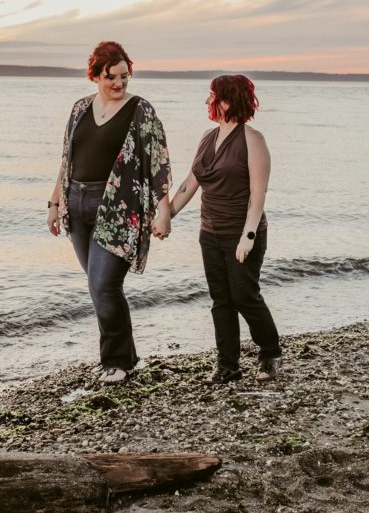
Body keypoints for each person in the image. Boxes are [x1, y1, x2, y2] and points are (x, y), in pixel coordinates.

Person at [46, 41, 172, 384]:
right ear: (95, 75)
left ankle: (114, 362)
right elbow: (66, 160)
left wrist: (164, 210)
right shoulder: (79, 109)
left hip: (117, 208)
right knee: (97, 286)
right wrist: (54, 204)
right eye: (111, 77)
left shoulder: (140, 110)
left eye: (124, 77)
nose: (119, 84)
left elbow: (157, 162)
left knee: (104, 285)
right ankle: (126, 357)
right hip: (77, 203)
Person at [167, 74, 282, 383]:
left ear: (227, 101)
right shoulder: (207, 137)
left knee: (245, 296)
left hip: (243, 232)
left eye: (212, 96)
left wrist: (248, 236)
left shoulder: (252, 140)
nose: (207, 101)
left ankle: (270, 354)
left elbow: (258, 193)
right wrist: (165, 214)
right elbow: (189, 184)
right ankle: (227, 365)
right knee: (221, 299)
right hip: (210, 233)